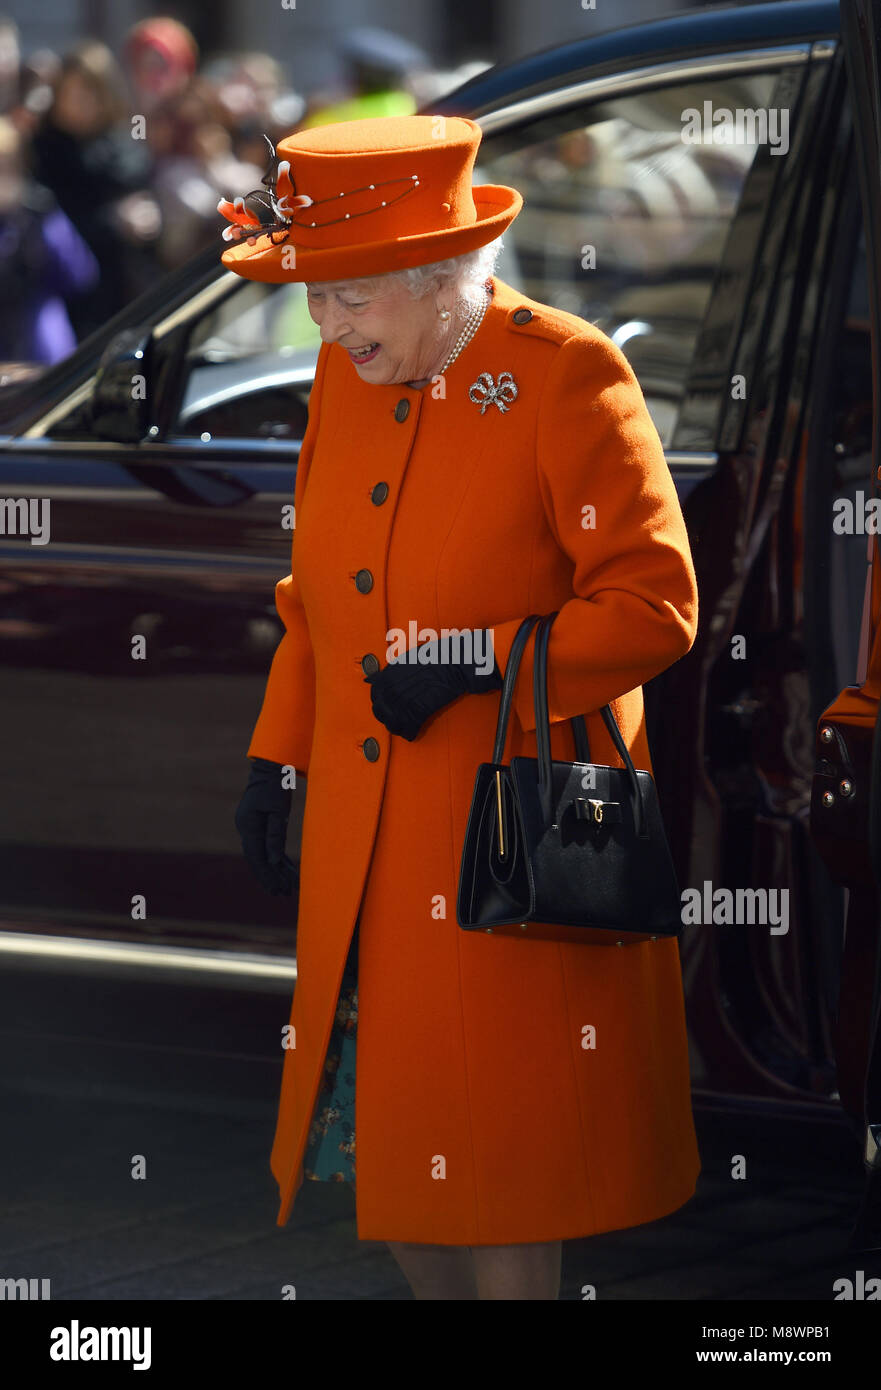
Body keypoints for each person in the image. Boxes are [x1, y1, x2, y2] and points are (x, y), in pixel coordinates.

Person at [227, 115, 701, 1300]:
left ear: (445, 276)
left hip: (504, 851)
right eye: (315, 300)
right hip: (367, 860)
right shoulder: (346, 381)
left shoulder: (563, 371)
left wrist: (481, 659)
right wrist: (277, 755)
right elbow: (312, 601)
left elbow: (654, 606)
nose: (328, 331)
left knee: (506, 1186)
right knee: (394, 1181)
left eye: (356, 299)